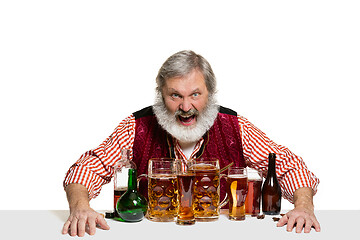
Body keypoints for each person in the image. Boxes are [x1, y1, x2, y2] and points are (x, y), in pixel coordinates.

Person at [62, 50, 321, 237]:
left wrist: (303, 207)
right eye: (175, 95)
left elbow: (289, 165)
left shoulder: (235, 125)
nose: (186, 108)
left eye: (195, 94)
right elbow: (86, 168)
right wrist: (81, 207)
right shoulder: (135, 125)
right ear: (161, 96)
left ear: (210, 93)